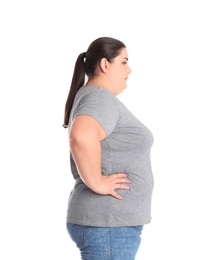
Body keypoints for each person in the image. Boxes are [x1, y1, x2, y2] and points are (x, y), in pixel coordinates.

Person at [63, 36, 154, 260]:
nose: (129, 69)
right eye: (123, 62)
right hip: (109, 224)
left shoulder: (93, 97)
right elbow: (81, 135)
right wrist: (96, 181)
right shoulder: (99, 98)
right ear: (105, 64)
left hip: (109, 224)